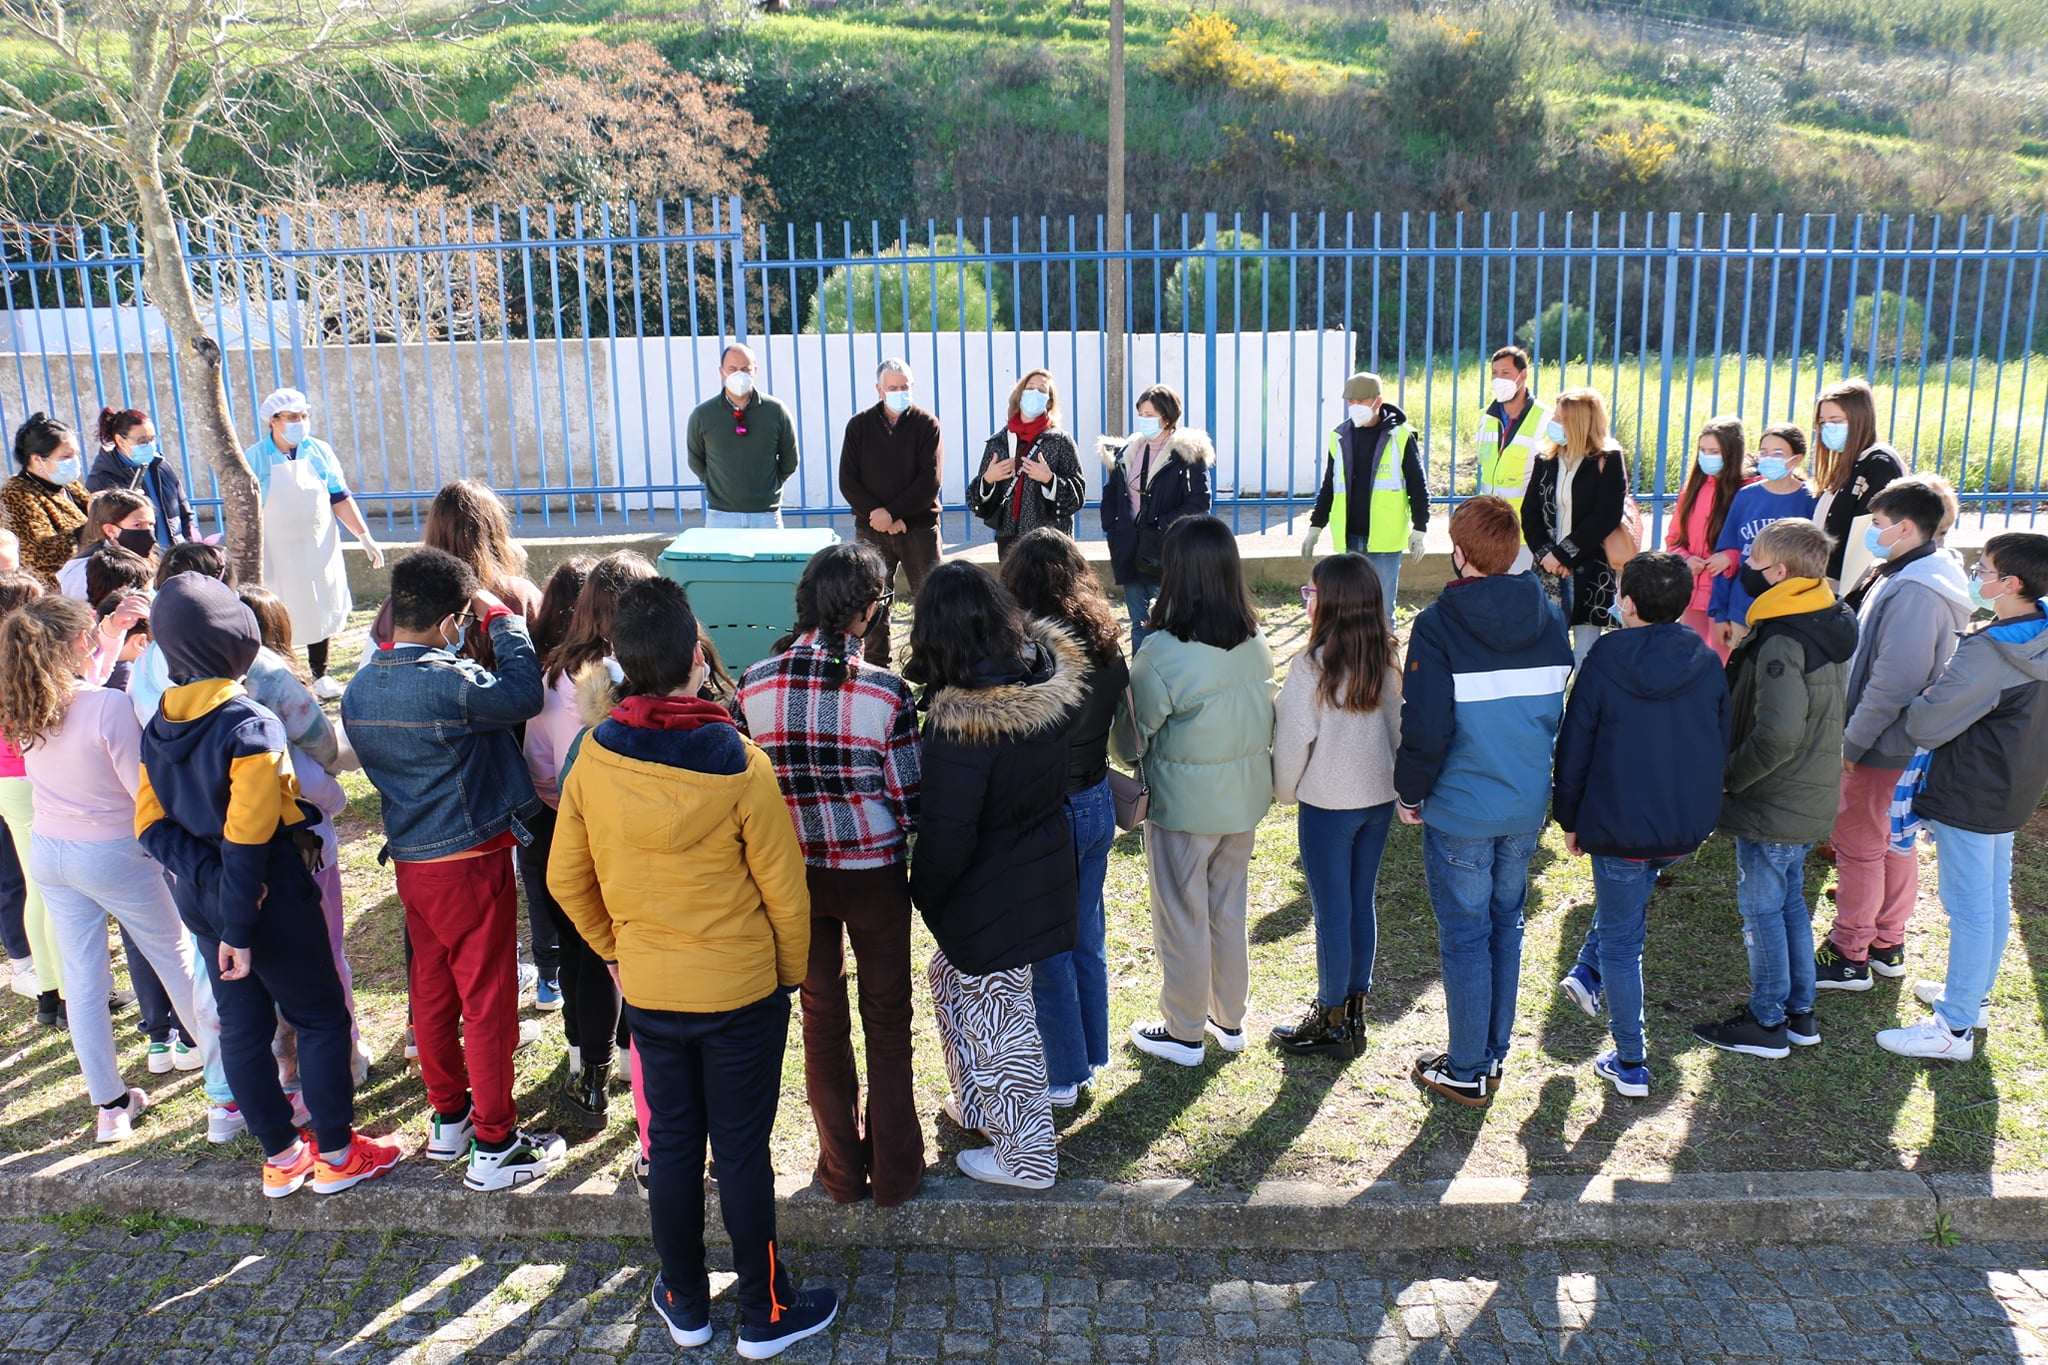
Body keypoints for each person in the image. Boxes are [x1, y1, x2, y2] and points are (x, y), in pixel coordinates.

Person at [549, 576, 837, 1360]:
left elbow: (564, 878)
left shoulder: (594, 758)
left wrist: (618, 947)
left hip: (651, 989)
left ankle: (683, 1297)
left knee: (671, 1145)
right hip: (741, 991)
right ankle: (763, 1308)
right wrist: (784, 975)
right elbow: (787, 891)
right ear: (697, 659)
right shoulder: (740, 764)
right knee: (742, 1151)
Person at [135, 574, 398, 1193]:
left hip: (201, 901)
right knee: (321, 1017)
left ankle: (281, 1159)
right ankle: (336, 1154)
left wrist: (208, 883)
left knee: (243, 1027)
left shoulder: (159, 723)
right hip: (267, 898)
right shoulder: (250, 725)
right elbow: (249, 836)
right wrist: (241, 919)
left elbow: (149, 824)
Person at [342, 548, 565, 1191]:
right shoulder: (447, 681)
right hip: (470, 861)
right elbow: (521, 695)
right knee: (489, 1000)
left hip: (412, 861)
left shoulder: (360, 688)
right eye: (464, 620)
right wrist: (503, 622)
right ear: (451, 619)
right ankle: (496, 1145)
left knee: (432, 990)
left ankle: (450, 1119)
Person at [738, 542, 924, 1204]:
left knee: (820, 1017)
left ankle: (840, 1169)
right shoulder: (886, 692)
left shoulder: (753, 685)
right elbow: (909, 803)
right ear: (869, 610)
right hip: (872, 873)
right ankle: (897, 1172)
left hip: (792, 877)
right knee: (888, 1017)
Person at [0, 594, 219, 1142]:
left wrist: (112, 635)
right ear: (78, 643)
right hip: (115, 851)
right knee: (176, 961)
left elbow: (80, 693)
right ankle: (227, 1080)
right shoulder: (107, 706)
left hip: (52, 851)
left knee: (84, 982)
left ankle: (111, 1107)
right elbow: (141, 790)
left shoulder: (25, 703)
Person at [906, 562, 1084, 1188]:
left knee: (1000, 1011)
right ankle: (982, 1106)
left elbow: (947, 834)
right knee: (953, 978)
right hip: (1036, 873)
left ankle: (1027, 1152)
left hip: (993, 891)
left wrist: (921, 892)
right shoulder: (1040, 680)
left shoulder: (963, 726)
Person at [1397, 497, 1571, 1105]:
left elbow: (1426, 727)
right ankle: (1490, 1055)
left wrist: (1409, 793)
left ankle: (1467, 1068)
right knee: (1506, 925)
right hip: (1526, 803)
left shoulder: (1438, 625)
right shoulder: (1550, 616)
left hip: (1461, 808)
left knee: (1466, 936)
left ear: (1461, 554)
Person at [1551, 552, 1730, 1097]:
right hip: (1684, 826)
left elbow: (1575, 742)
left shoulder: (1605, 657)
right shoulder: (1704, 656)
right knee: (1623, 909)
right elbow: (1721, 738)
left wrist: (1569, 816)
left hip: (1621, 823)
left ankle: (1630, 1062)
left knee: (1624, 945)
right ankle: (1585, 970)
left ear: (1626, 602)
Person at [1879, 533, 2048, 1061]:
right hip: (2012, 786)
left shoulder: (1992, 652)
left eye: (1987, 569)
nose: (1978, 575)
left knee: (1970, 907)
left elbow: (1928, 723)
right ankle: (1970, 999)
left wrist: (1928, 696)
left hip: (1970, 790)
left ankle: (1953, 1029)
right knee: (1991, 899)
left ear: (2012, 584)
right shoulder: (2039, 631)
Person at [1693, 519, 1857, 1059]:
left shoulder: (1783, 638)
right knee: (1788, 904)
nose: (1746, 573)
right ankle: (1799, 1012)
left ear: (1780, 572)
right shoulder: (1822, 617)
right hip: (1807, 793)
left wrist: (1728, 777)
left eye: (1754, 565)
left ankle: (1766, 1021)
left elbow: (1779, 734)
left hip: (1774, 800)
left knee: (1762, 910)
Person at [1119, 516, 1276, 1068]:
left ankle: (1184, 1033)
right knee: (1227, 910)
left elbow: (1128, 743)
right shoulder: (1256, 640)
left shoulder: (1161, 651)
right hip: (1244, 802)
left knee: (1181, 917)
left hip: (1184, 810)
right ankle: (1229, 1019)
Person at [1815, 477, 1970, 992]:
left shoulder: (1916, 590)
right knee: (1890, 841)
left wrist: (1852, 742)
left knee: (1861, 844)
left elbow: (1894, 680)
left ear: (1906, 528)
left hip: (1882, 740)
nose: (1872, 534)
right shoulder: (1913, 571)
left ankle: (1849, 952)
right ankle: (1886, 942)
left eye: (1879, 525)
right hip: (1895, 738)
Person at [1000, 528, 1128, 1105]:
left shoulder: (1023, 650)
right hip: (1096, 799)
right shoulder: (1104, 641)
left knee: (1047, 945)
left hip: (1047, 807)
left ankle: (1061, 1074)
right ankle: (1088, 1058)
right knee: (1086, 934)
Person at [529, 552, 652, 1130]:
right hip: (631, 830)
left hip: (565, 825)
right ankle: (628, 1055)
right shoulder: (639, 673)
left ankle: (585, 1061)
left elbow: (538, 762)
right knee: (626, 945)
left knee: (583, 950)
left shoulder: (555, 672)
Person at [1269, 554, 1401, 1058]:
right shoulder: (1384, 655)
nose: (1307, 600)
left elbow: (1293, 741)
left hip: (1328, 803)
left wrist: (1285, 792)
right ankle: (1354, 1011)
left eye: (1311, 592)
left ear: (1333, 603)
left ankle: (1329, 1016)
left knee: (1331, 910)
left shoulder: (1313, 664)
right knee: (1359, 901)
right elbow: (1398, 728)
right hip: (1378, 797)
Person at [245, 388, 385, 700]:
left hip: (317, 544)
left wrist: (364, 536)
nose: (300, 422)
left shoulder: (319, 451)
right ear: (273, 420)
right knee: (278, 607)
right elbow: (247, 509)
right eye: (292, 417)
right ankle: (285, 675)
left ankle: (320, 674)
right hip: (275, 548)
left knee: (319, 604)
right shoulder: (253, 457)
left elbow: (340, 496)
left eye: (304, 416)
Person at [517, 554, 592, 1019]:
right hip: (588, 813)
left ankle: (549, 977)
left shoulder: (539, 669)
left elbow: (536, 756)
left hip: (544, 806)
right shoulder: (599, 674)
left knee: (548, 897)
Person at [837, 358, 943, 668]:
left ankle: (931, 667)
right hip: (871, 528)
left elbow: (930, 480)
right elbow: (848, 480)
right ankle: (875, 667)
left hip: (919, 529)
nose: (899, 392)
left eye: (904, 387)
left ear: (913, 387)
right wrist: (878, 515)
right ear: (879, 389)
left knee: (930, 601)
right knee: (871, 602)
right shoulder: (859, 426)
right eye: (892, 387)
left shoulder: (927, 424)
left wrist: (894, 514)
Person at [1301, 373, 1428, 614]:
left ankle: (1385, 653)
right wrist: (1315, 527)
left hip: (1384, 542)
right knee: (1347, 610)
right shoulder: (1339, 437)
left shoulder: (1400, 437)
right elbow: (1330, 485)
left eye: (1361, 401)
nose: (1355, 407)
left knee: (1382, 611)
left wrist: (1420, 528)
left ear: (1377, 402)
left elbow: (1418, 486)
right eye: (1351, 402)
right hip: (1349, 538)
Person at [1100, 384, 1213, 648]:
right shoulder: (1129, 449)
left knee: (1169, 624)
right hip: (1129, 547)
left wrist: (1161, 525)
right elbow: (1112, 492)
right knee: (1139, 624)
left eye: (1150, 414)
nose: (1144, 420)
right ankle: (1142, 681)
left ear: (1167, 416)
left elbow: (1199, 503)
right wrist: (1113, 526)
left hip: (1166, 551)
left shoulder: (1187, 452)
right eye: (1141, 413)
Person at [1522, 387, 1630, 664]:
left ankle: (1581, 706)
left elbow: (1605, 516)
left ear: (1579, 423)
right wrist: (1546, 553)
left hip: (1590, 570)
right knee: (1548, 648)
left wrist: (1564, 554)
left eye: (1560, 419)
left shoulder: (1608, 459)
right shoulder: (1545, 459)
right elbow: (1530, 512)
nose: (1553, 424)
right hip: (1547, 567)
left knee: (1585, 651)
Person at [0, 573, 63, 1026]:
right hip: (30, 777)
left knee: (38, 885)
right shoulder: (18, 657)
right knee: (49, 890)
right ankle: (62, 992)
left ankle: (50, 992)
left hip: (11, 784)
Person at [1708, 423, 1819, 654]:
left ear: (1797, 458)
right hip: (1744, 609)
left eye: (1778, 453)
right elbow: (1725, 555)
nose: (1769, 459)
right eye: (1764, 452)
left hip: (1789, 610)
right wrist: (1720, 613)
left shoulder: (1811, 499)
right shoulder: (1746, 496)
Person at [970, 370, 1084, 560]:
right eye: (1030, 388)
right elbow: (973, 499)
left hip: (1050, 541)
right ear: (1019, 396)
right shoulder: (999, 442)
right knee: (1012, 589)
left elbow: (1077, 496)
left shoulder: (1060, 441)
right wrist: (988, 479)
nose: (1035, 394)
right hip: (1009, 541)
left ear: (1049, 401)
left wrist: (1050, 480)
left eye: (1042, 390)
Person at [687, 342, 801, 530]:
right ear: (722, 371)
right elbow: (696, 459)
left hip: (766, 515)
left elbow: (790, 459)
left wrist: (770, 486)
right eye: (732, 369)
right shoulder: (703, 414)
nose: (739, 375)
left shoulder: (776, 410)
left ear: (755, 370)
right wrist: (717, 483)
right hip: (721, 515)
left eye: (745, 369)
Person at [1664, 416, 1750, 662]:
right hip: (1693, 595)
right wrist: (1685, 559)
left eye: (1714, 451)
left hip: (1726, 596)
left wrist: (1731, 558)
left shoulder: (1746, 492)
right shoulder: (1691, 488)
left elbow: (1755, 544)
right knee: (1688, 663)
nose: (1707, 456)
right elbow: (1674, 539)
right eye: (1703, 450)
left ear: (1732, 453)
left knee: (1722, 666)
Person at [1811, 378, 1906, 586]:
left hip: (1850, 587)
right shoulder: (1849, 462)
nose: (1828, 428)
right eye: (1823, 422)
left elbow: (1868, 543)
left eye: (1836, 421)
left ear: (1859, 419)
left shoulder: (1879, 464)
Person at [4, 413, 92, 590]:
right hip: (56, 594)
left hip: (88, 582)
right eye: (66, 457)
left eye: (76, 454)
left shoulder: (68, 485)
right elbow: (38, 555)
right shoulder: (17, 494)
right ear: (37, 459)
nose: (74, 461)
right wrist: (92, 528)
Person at [88, 407, 194, 547]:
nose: (149, 446)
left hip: (175, 557)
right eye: (142, 441)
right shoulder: (101, 479)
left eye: (152, 439)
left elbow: (185, 513)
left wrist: (191, 545)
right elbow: (98, 531)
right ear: (120, 440)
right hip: (135, 561)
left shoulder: (161, 467)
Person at [1475, 346, 1550, 544]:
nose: (1498, 379)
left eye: (1506, 373)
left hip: (1525, 532)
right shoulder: (1486, 417)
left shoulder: (1545, 419)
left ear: (1523, 375)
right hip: (1489, 528)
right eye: (1494, 373)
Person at [56, 489, 157, 601]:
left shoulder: (143, 557)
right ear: (110, 530)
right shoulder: (83, 572)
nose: (148, 533)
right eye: (138, 525)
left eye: (151, 525)